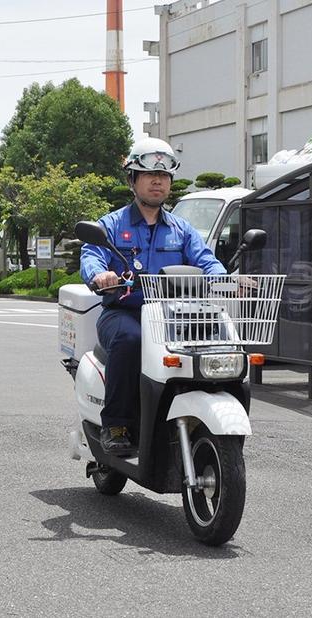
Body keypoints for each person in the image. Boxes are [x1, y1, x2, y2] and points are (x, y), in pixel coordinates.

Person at [80, 138, 226, 456]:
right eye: (149, 175)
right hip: (125, 312)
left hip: (173, 316)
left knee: (216, 339)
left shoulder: (182, 230)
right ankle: (116, 424)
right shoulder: (111, 225)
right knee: (130, 339)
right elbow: (91, 256)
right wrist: (100, 275)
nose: (157, 181)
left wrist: (227, 281)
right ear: (132, 180)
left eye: (163, 176)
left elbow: (207, 262)